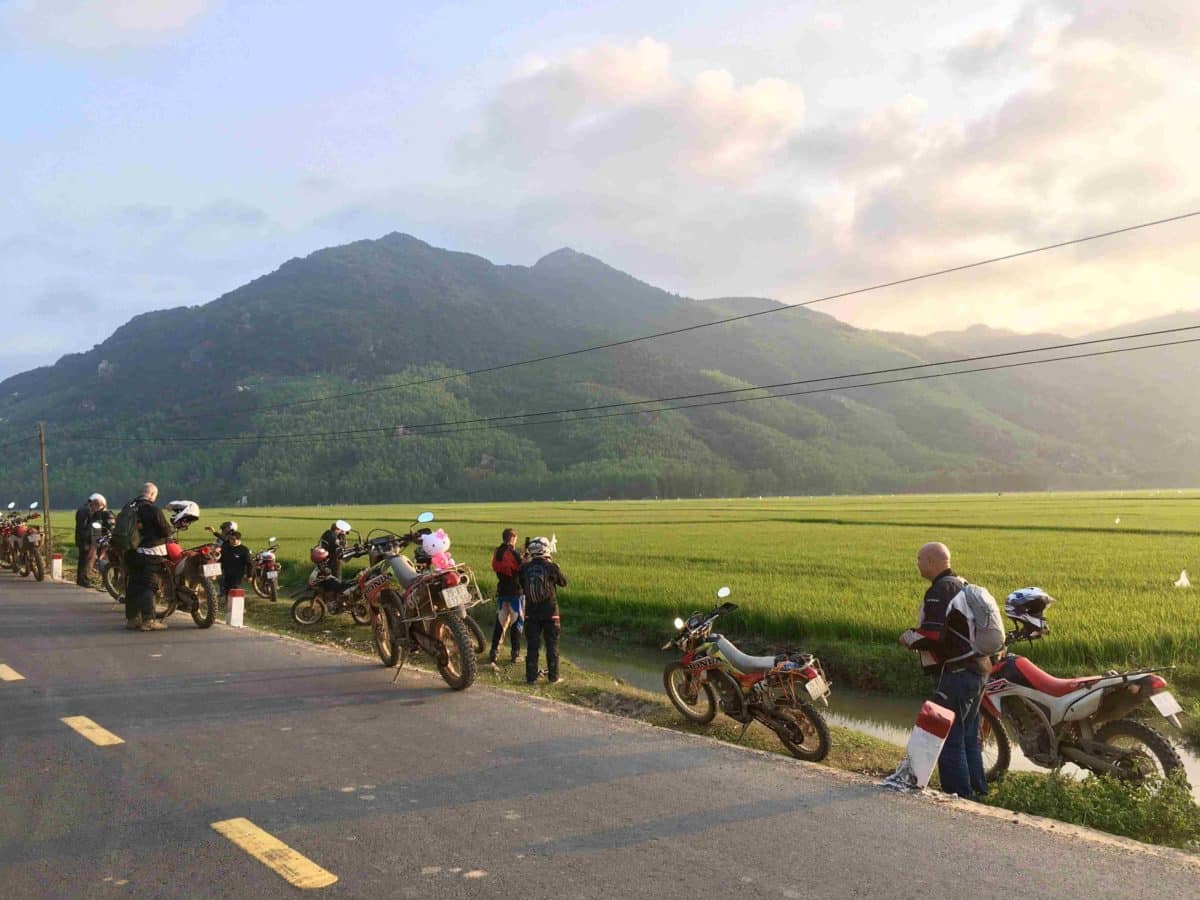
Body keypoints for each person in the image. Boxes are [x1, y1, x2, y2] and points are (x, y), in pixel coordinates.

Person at [899, 542, 989, 799]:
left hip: (956, 674)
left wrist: (908, 638)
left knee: (950, 737)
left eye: (919, 559)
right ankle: (978, 791)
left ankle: (959, 797)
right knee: (969, 735)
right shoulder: (963, 584)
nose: (917, 564)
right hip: (979, 668)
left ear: (932, 561)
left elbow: (933, 634)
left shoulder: (940, 590)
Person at [123, 482, 172, 632]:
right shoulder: (152, 509)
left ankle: (131, 619)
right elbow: (165, 531)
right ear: (151, 495)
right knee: (149, 585)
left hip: (131, 553)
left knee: (133, 584)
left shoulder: (129, 507)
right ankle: (149, 620)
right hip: (150, 553)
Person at [520, 536, 567, 685]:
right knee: (552, 646)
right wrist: (556, 568)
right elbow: (564, 582)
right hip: (550, 613)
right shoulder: (551, 567)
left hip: (531, 613)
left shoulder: (525, 568)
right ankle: (553, 677)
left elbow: (521, 584)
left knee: (532, 646)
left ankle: (531, 678)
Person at [488, 527, 525, 665]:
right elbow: (521, 568)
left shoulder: (498, 551)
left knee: (500, 622)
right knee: (516, 623)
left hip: (502, 591)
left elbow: (498, 566)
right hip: (515, 592)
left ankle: (494, 652)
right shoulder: (513, 553)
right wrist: (524, 555)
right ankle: (515, 653)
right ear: (513, 538)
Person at [74, 494, 99, 587]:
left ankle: (81, 579)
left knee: (82, 559)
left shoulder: (81, 509)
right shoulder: (86, 511)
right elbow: (84, 528)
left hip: (81, 538)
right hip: (84, 539)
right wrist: (86, 542)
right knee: (84, 560)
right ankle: (83, 579)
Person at [219, 530, 252, 598]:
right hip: (226, 573)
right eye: (230, 539)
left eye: (233, 539)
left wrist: (249, 575)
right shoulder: (226, 546)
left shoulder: (244, 550)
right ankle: (228, 604)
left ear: (238, 539)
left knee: (235, 590)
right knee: (227, 591)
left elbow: (249, 563)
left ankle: (236, 606)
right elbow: (220, 559)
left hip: (237, 575)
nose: (231, 541)